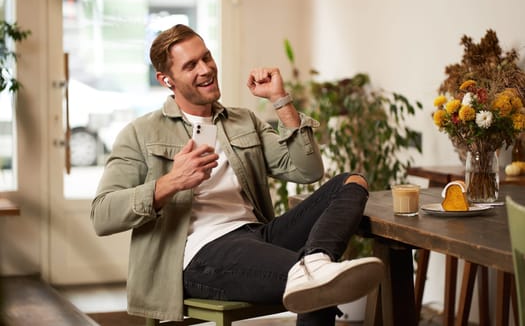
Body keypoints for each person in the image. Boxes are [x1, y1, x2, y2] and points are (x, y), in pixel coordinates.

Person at [91, 24, 384, 326]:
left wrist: (280, 100)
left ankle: (316, 260)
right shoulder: (140, 133)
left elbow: (308, 171)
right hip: (199, 256)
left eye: (206, 57)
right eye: (191, 65)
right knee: (320, 286)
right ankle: (313, 270)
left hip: (257, 235)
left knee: (351, 183)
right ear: (167, 80)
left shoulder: (243, 121)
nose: (206, 69)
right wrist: (172, 182)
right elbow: (102, 215)